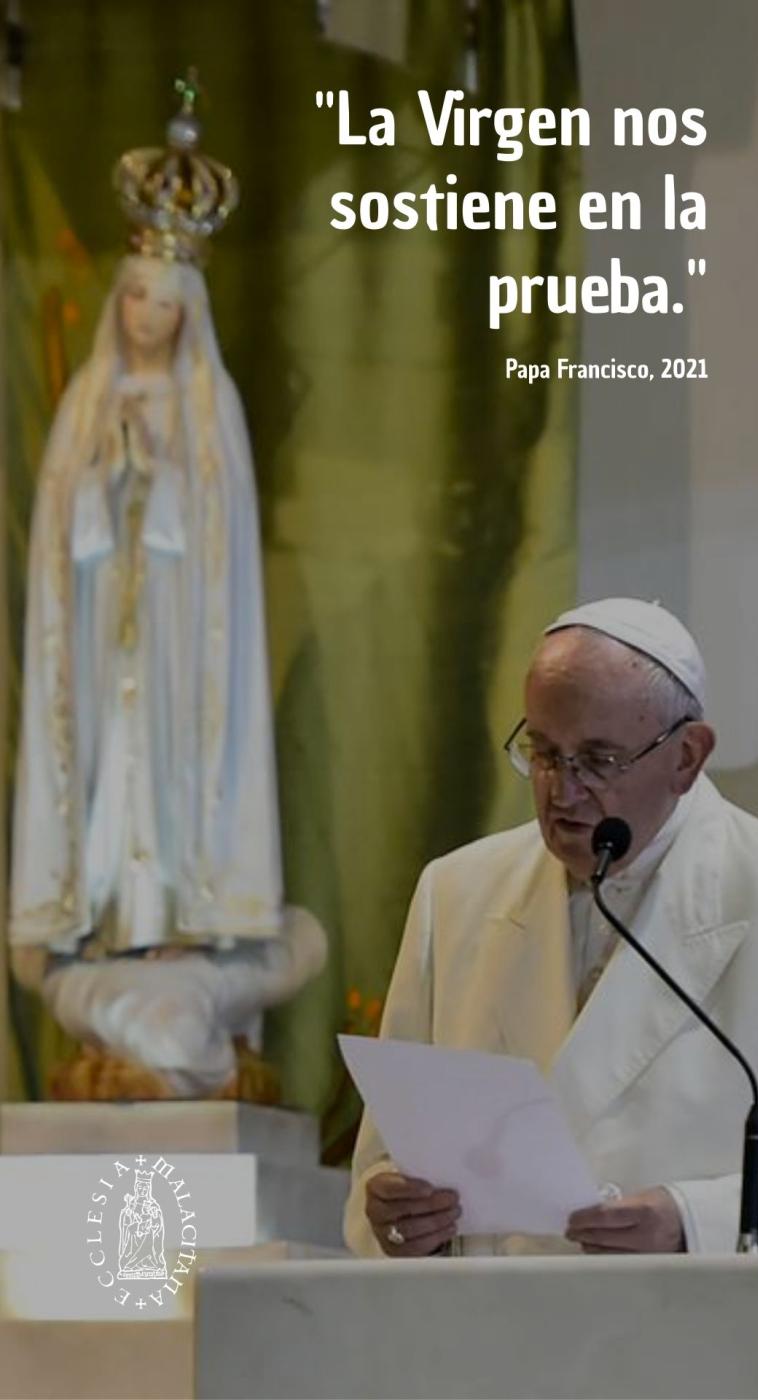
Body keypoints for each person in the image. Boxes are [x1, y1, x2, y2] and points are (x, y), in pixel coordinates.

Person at [9, 79, 325, 1097]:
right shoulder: (89, 400)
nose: (146, 316)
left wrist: (162, 479)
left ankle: (185, 923)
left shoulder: (210, 402)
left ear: (189, 311)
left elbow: (220, 541)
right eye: (135, 298)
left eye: (164, 302)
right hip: (109, 638)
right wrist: (112, 476)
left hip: (185, 645)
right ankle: (115, 924)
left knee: (175, 769)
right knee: (113, 769)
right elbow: (64, 537)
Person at [345, 597, 758, 1256]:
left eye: (598, 760)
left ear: (687, 756)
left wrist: (692, 1222)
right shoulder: (457, 892)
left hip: (694, 1338)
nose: (562, 791)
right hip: (495, 1340)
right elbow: (380, 1166)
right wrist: (394, 1211)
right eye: (543, 752)